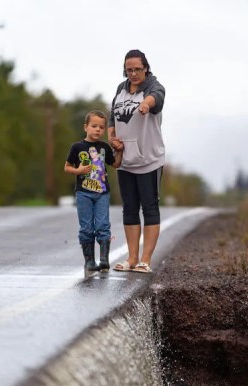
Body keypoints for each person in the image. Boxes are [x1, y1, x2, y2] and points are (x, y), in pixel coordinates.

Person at [108, 49, 165, 273]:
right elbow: (113, 114)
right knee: (129, 209)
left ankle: (145, 260)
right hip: (126, 159)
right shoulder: (121, 89)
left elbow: (157, 98)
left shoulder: (153, 86)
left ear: (146, 68)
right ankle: (131, 258)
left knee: (149, 208)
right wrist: (111, 137)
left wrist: (146, 105)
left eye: (137, 69)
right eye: (129, 69)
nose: (132, 73)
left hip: (148, 158)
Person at [64, 110, 123, 272]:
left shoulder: (104, 147)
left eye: (101, 127)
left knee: (103, 225)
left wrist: (120, 150)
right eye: (94, 126)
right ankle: (89, 261)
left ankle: (104, 259)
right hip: (83, 193)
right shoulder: (77, 147)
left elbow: (115, 164)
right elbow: (67, 167)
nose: (98, 130)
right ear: (86, 127)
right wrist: (78, 170)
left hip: (102, 194)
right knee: (86, 227)